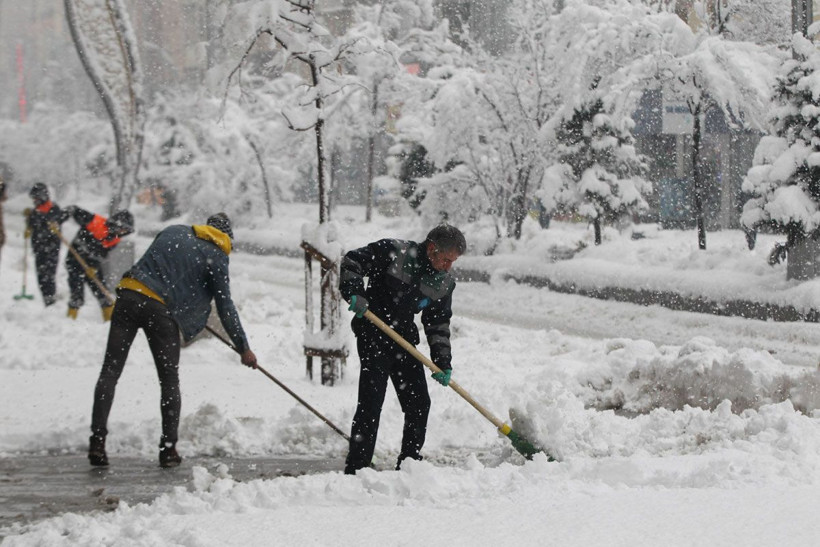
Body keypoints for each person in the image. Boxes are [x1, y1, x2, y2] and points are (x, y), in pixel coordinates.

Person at [88, 213, 258, 468]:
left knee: (110, 371)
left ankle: (97, 443)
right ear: (226, 238)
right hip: (159, 312)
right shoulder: (218, 257)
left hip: (129, 296)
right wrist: (243, 348)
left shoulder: (174, 231)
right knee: (168, 380)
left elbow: (166, 268)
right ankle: (168, 450)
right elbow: (225, 307)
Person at [339, 224, 467, 474]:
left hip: (404, 341)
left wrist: (443, 361)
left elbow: (438, 322)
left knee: (419, 403)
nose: (448, 266)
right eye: (446, 259)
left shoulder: (443, 283)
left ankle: (409, 466)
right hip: (373, 333)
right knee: (371, 402)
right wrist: (355, 292)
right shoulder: (394, 252)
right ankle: (357, 468)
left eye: (453, 262)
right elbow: (352, 261)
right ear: (432, 248)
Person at [64, 206, 134, 320]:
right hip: (75, 259)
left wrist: (93, 267)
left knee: (102, 291)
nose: (122, 232)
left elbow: (102, 254)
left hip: (91, 264)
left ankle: (110, 320)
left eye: (125, 230)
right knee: (77, 293)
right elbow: (73, 210)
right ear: (116, 224)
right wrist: (58, 220)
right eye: (122, 228)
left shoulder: (114, 240)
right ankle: (70, 319)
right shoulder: (95, 222)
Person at [24, 183, 71, 306]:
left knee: (49, 274)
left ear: (43, 196)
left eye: (36, 198)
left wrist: (43, 223)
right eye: (33, 198)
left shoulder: (54, 209)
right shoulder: (35, 211)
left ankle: (50, 300)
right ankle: (46, 298)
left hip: (51, 248)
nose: (34, 200)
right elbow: (33, 226)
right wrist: (29, 220)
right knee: (41, 275)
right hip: (39, 248)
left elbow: (50, 226)